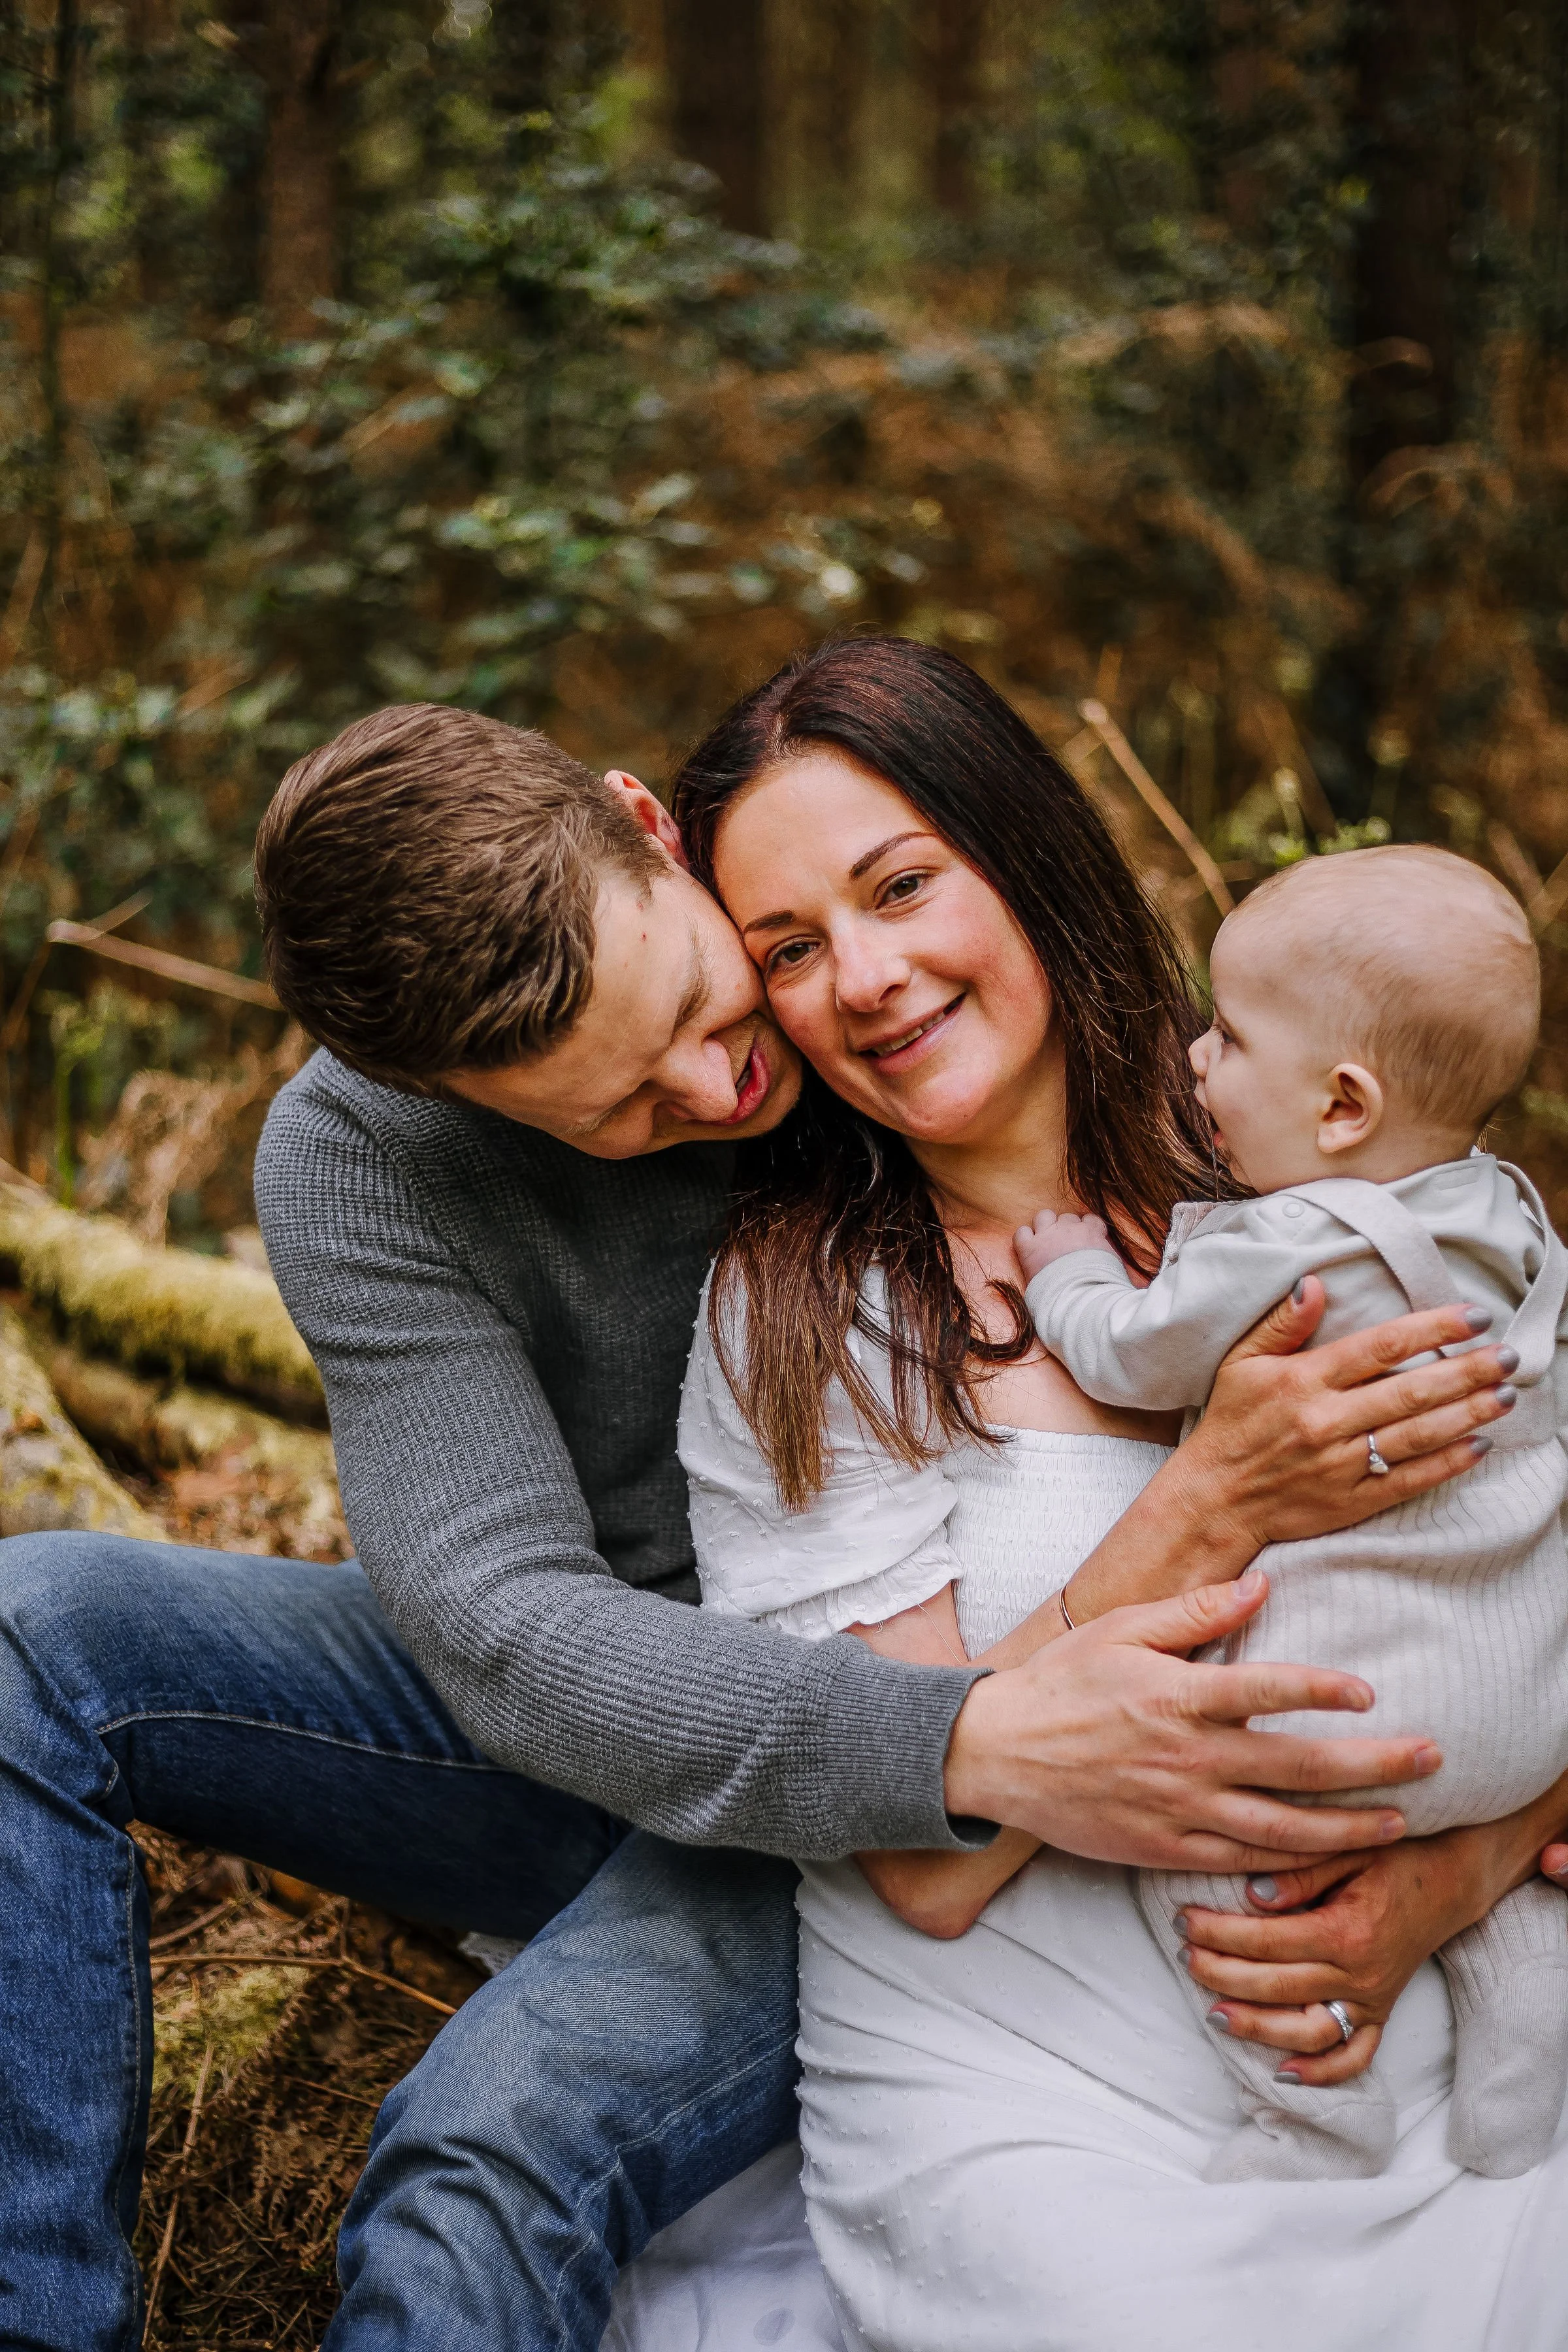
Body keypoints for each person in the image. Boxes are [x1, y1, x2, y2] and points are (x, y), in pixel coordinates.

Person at [0, 696, 1531, 2352]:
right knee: (38, 1637)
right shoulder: (368, 1158)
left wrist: (1479, 1853)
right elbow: (504, 1624)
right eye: (614, 1108)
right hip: (719, 1717)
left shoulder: (895, 997)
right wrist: (959, 1748)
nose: (721, 1077)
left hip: (874, 1726)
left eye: (697, 1000)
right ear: (437, 1087)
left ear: (646, 828)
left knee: (489, 2143)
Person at [672, 637, 1568, 2352]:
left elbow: (1533, 1576)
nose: (862, 977)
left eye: (901, 885)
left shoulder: (1320, 1142)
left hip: (1430, 2058)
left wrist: (1450, 1888)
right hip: (1028, 2101)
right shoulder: (793, 1317)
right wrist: (1216, 1498)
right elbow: (914, 1862)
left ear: (1021, 853)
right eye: (790, 948)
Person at [1016, 844, 1568, 2183]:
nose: (1198, 1061)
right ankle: (1527, 2047)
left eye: (1231, 1036)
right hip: (1526, 1707)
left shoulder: (1293, 1251)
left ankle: (1312, 2119)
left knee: (1201, 1863)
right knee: (1493, 1878)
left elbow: (1133, 1353)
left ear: (1340, 1108)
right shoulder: (1516, 1222)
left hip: (1350, 1720)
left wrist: (1070, 1272)